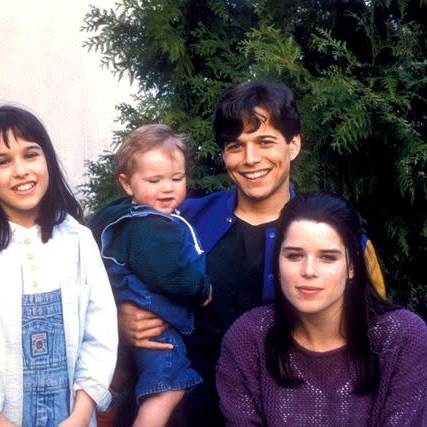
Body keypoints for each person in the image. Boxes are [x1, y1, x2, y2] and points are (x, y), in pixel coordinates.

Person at [116, 80, 386, 426]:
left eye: (265, 141)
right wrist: (122, 317)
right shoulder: (183, 221)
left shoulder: (338, 241)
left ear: (294, 145)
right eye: (235, 146)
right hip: (183, 410)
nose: (250, 159)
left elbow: (374, 339)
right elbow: (105, 277)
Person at [0, 105, 118, 427]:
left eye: (31, 155)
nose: (21, 171)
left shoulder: (79, 241)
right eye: (2, 161)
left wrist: (81, 415)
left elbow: (100, 334)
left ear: (47, 162)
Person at [217, 192, 427, 425]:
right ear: (277, 261)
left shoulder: (403, 338)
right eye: (294, 256)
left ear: (352, 266)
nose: (309, 270)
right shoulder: (248, 340)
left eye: (327, 258)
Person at [88, 125, 212, 427]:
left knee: (123, 380)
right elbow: (169, 276)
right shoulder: (150, 227)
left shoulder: (125, 216)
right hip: (157, 330)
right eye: (154, 180)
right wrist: (201, 289)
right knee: (167, 390)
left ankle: (103, 408)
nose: (167, 188)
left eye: (176, 178)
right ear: (127, 184)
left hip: (140, 321)